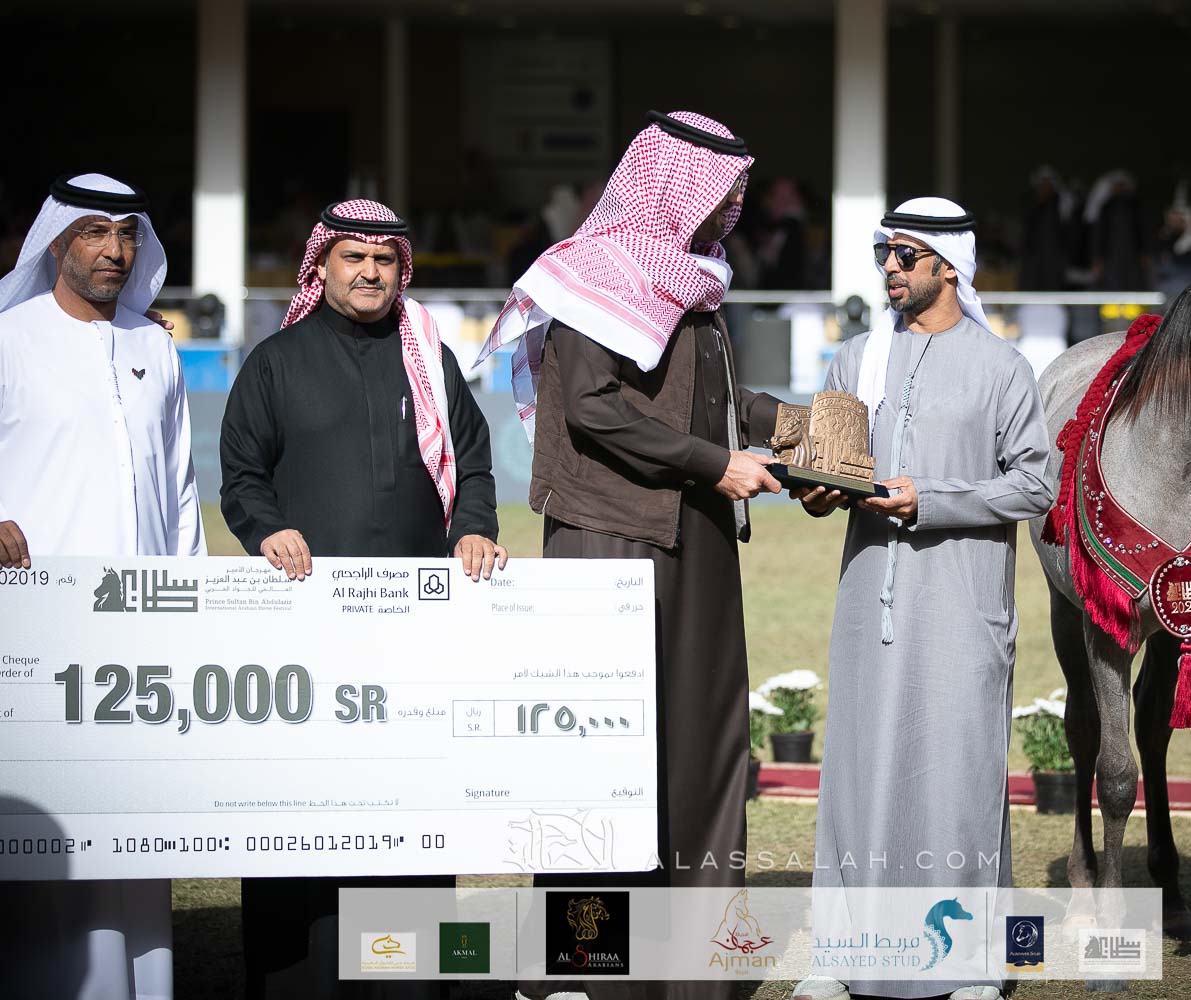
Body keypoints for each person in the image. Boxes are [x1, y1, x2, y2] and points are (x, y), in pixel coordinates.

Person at [475, 110, 783, 1000]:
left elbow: (712, 403)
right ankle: (585, 967)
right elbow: (593, 409)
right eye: (721, 189)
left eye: (738, 192)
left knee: (704, 742)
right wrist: (716, 464)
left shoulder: (698, 284)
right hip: (607, 540)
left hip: (698, 540)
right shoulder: (593, 275)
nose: (731, 206)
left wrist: (807, 432)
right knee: (602, 756)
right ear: (673, 184)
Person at [220, 198, 503, 997]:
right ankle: (299, 979)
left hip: (416, 634)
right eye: (354, 257)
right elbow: (241, 475)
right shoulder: (276, 362)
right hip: (305, 630)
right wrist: (267, 530)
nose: (370, 272)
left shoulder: (431, 362)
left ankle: (409, 979)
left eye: (385, 260)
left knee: (410, 809)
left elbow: (474, 465)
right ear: (321, 266)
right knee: (303, 811)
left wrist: (472, 530)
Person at [792, 198, 1054, 1000]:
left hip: (962, 604)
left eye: (905, 256)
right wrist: (816, 489)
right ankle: (841, 957)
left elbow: (1035, 483)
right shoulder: (856, 359)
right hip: (867, 599)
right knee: (858, 773)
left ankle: (972, 964)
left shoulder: (1002, 367)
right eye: (885, 255)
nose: (891, 269)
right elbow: (827, 468)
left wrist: (932, 500)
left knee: (958, 774)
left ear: (949, 264)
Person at [0, 173, 206, 999]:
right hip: (36, 628)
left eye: (127, 233)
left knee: (133, 825)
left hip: (142, 632)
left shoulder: (155, 347)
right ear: (57, 240)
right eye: (93, 231)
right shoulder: (9, 338)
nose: (114, 250)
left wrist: (190, 608)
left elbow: (182, 490)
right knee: (43, 835)